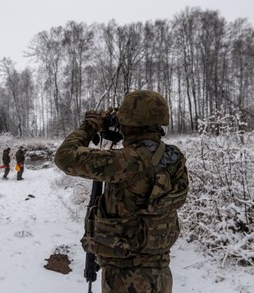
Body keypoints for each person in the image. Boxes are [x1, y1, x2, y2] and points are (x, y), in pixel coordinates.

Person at [54, 90, 189, 293]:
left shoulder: (127, 162)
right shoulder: (174, 157)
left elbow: (65, 157)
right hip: (160, 273)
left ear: (129, 122)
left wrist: (89, 127)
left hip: (126, 277)